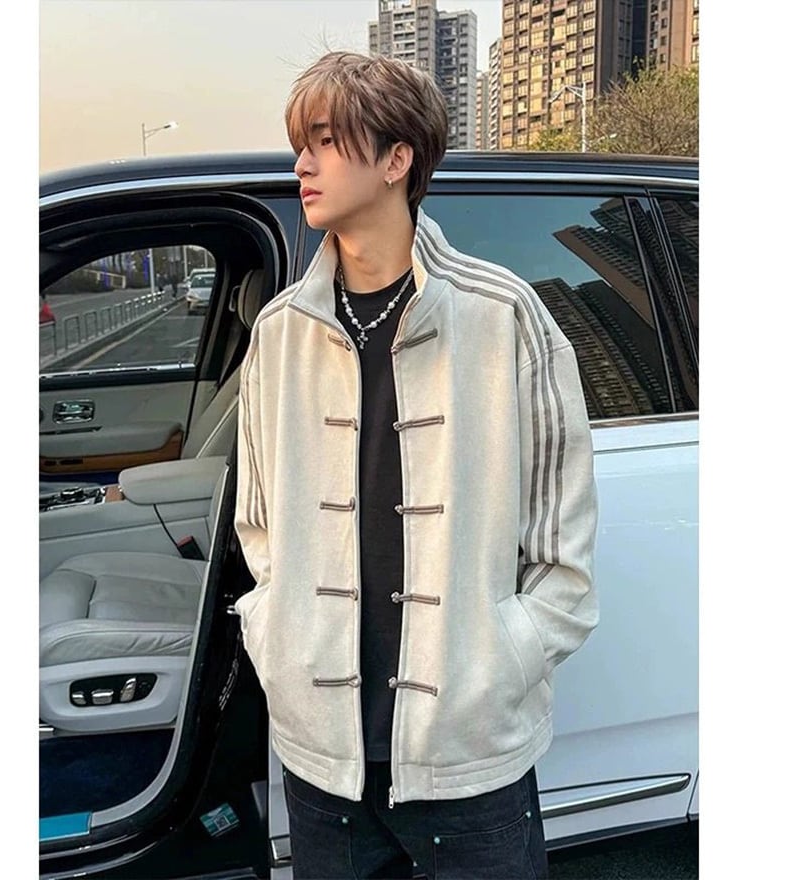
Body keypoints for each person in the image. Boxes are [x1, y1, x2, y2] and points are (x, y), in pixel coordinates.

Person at [233, 51, 599, 880]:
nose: (302, 165)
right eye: (301, 144)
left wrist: (501, 659)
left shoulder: (503, 317)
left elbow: (563, 544)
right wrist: (274, 629)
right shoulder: (281, 334)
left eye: (326, 141)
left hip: (467, 751)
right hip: (322, 753)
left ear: (398, 159)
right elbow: (258, 524)